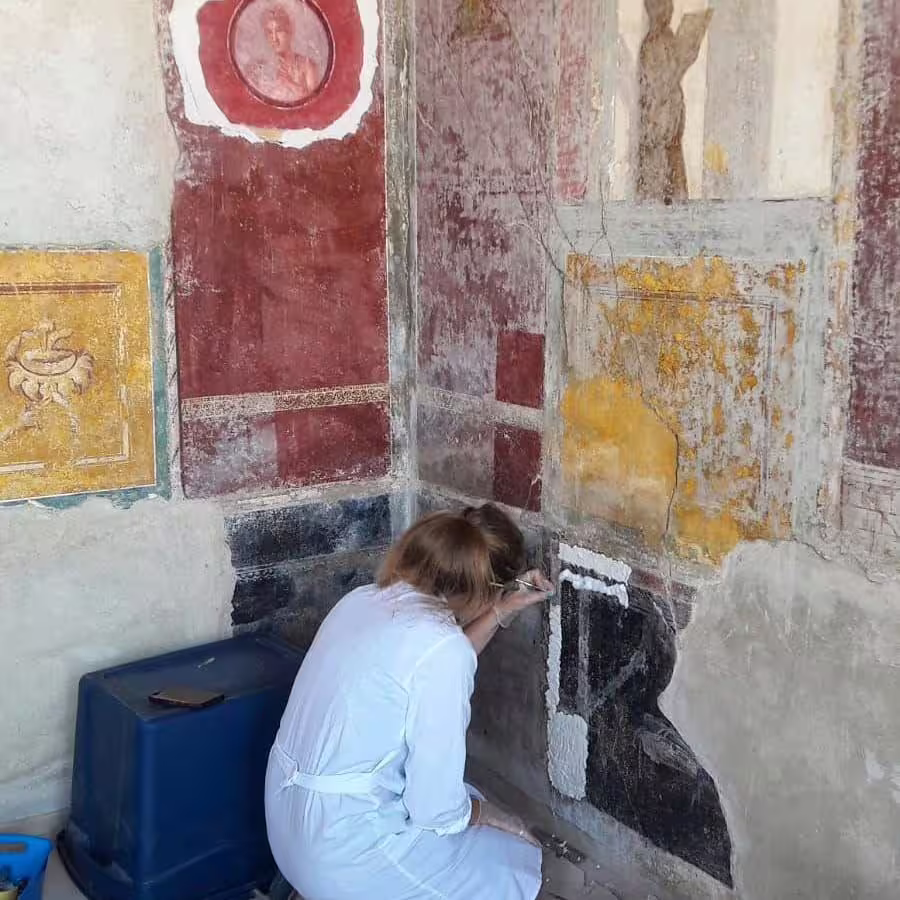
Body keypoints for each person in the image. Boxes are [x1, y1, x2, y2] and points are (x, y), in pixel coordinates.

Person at [265, 504, 554, 899]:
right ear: (484, 587)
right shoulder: (441, 649)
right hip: (342, 854)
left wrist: (500, 609)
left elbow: (430, 664)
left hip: (286, 822)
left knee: (469, 808)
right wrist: (493, 816)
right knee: (513, 862)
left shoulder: (362, 600)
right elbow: (435, 809)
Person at [252, 5, 320, 104]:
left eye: (279, 30)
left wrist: (289, 83)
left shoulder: (307, 66)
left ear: (290, 32)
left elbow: (315, 103)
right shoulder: (259, 69)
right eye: (269, 32)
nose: (274, 39)